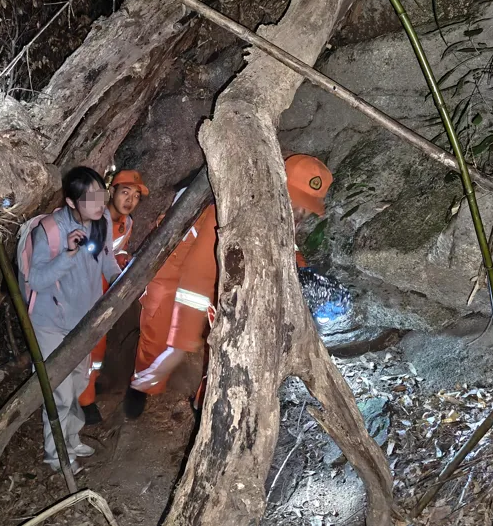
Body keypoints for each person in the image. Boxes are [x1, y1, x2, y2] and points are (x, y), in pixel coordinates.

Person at [124, 154, 333, 418]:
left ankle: (206, 403)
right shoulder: (230, 208)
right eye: (294, 202)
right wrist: (180, 344)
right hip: (176, 266)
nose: (298, 213)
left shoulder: (279, 215)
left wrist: (303, 274)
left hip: (220, 273)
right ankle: (144, 384)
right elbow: (197, 279)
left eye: (305, 208)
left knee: (228, 337)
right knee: (159, 329)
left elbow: (285, 248)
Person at [23, 166, 121, 474]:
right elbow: (36, 280)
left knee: (79, 382)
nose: (99, 203)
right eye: (90, 199)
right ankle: (56, 456)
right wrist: (67, 255)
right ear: (71, 202)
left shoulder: (102, 220)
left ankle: (71, 437)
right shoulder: (51, 231)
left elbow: (106, 259)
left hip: (83, 320)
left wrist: (121, 281)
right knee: (60, 392)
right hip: (50, 322)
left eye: (101, 195)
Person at [79, 169, 149, 425]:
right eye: (125, 192)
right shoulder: (95, 219)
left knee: (98, 347)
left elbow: (114, 253)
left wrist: (122, 259)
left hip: (102, 292)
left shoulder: (127, 223)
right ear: (111, 192)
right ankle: (83, 402)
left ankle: (88, 387)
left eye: (136, 196)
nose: (130, 200)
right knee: (86, 345)